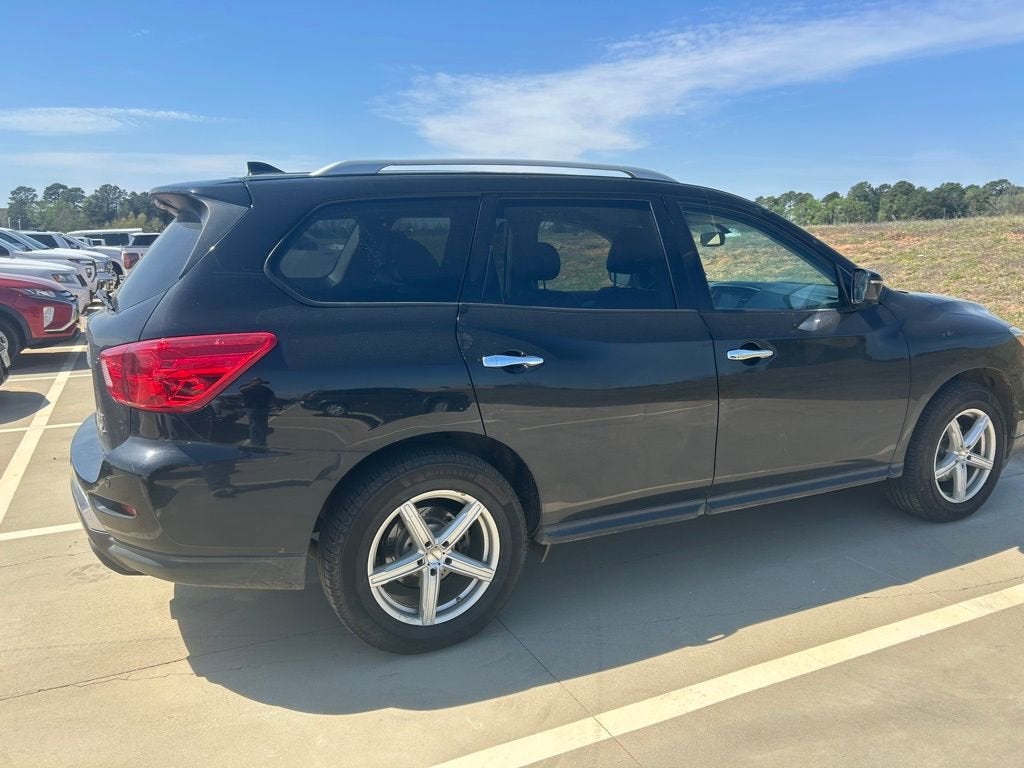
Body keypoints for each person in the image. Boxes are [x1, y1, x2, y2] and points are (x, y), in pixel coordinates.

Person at [239, 377, 275, 446]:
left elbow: (272, 396)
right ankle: (255, 443)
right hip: (251, 409)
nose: (258, 382)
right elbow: (241, 389)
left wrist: (271, 404)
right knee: (254, 426)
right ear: (251, 381)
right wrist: (252, 385)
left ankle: (262, 441)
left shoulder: (265, 389)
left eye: (259, 381)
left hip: (264, 409)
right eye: (255, 380)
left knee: (263, 426)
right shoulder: (247, 388)